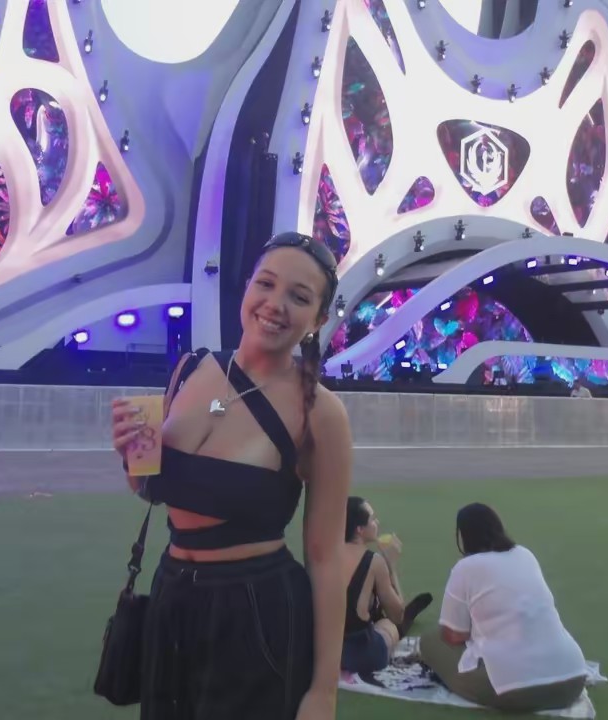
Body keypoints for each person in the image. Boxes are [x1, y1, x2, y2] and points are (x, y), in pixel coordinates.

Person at [112, 232, 352, 720]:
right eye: (266, 284)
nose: (275, 304)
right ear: (247, 288)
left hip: (256, 611)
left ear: (318, 320)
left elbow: (326, 558)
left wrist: (324, 691)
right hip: (170, 597)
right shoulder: (189, 369)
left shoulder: (321, 413)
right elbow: (151, 489)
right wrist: (130, 455)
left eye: (299, 297)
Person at [420, 503, 587, 712]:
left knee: (430, 641)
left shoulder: (466, 568)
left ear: (463, 536)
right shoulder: (526, 555)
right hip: (573, 680)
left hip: (514, 691)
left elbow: (454, 635)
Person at [341, 496, 432, 676]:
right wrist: (391, 566)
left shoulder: (325, 555)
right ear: (360, 529)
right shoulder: (374, 562)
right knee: (389, 624)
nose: (377, 523)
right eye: (372, 519)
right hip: (363, 656)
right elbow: (398, 616)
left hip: (327, 652)